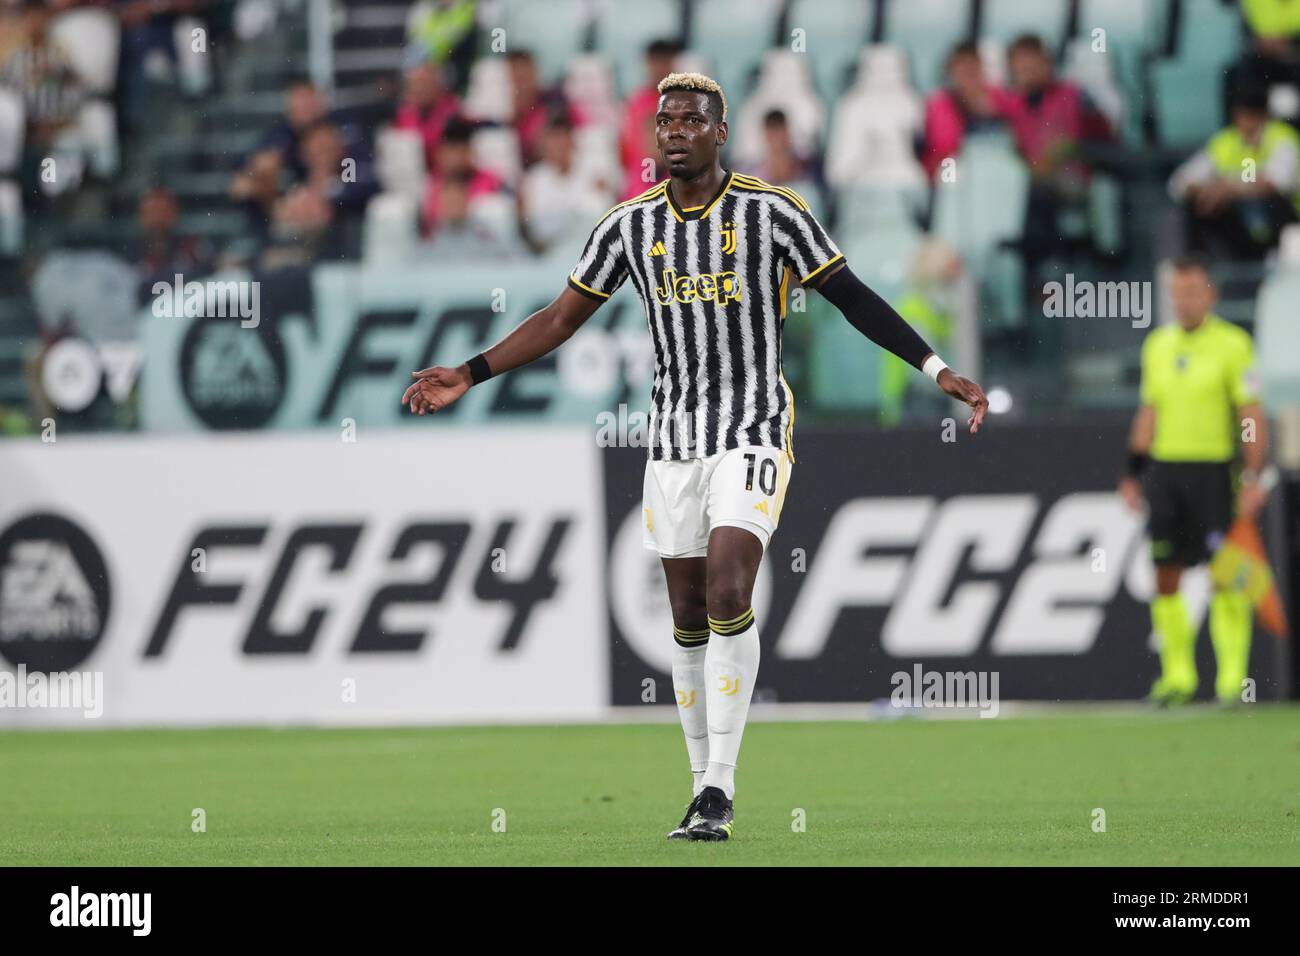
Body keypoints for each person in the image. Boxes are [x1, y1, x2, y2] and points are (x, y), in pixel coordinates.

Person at [401, 72, 989, 842]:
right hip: (673, 441)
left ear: (720, 132)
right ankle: (696, 785)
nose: (675, 131)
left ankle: (720, 786)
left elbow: (853, 297)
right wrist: (469, 373)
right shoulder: (627, 226)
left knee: (729, 579)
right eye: (664, 121)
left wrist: (937, 369)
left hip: (751, 428)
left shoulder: (773, 212)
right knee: (684, 612)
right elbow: (558, 319)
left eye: (691, 120)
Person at [1118, 255, 1271, 706]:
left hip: (1213, 471)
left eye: (1193, 291)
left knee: (1224, 573)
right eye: (1178, 292)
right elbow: (1150, 412)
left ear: (1211, 294)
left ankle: (1231, 681)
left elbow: (1250, 414)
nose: (1184, 301)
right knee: (1165, 573)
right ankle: (1179, 676)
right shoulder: (1158, 346)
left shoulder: (1234, 345)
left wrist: (1253, 473)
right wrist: (1132, 471)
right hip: (1166, 472)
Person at [1168, 86, 1300, 259]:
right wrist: (1207, 191)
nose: (1245, 122)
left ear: (1263, 116)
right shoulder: (1225, 141)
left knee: (1272, 201)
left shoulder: (1282, 137)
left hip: (1284, 220)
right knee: (1198, 205)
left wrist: (1229, 189)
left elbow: (1277, 182)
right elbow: (1180, 182)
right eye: (1240, 115)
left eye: (1251, 116)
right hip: (1240, 221)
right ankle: (1196, 261)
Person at [921, 41, 1015, 180]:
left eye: (972, 70)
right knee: (951, 174)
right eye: (961, 71)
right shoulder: (940, 104)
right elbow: (945, 148)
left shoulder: (999, 98)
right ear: (951, 73)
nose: (967, 77)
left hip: (992, 166)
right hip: (950, 167)